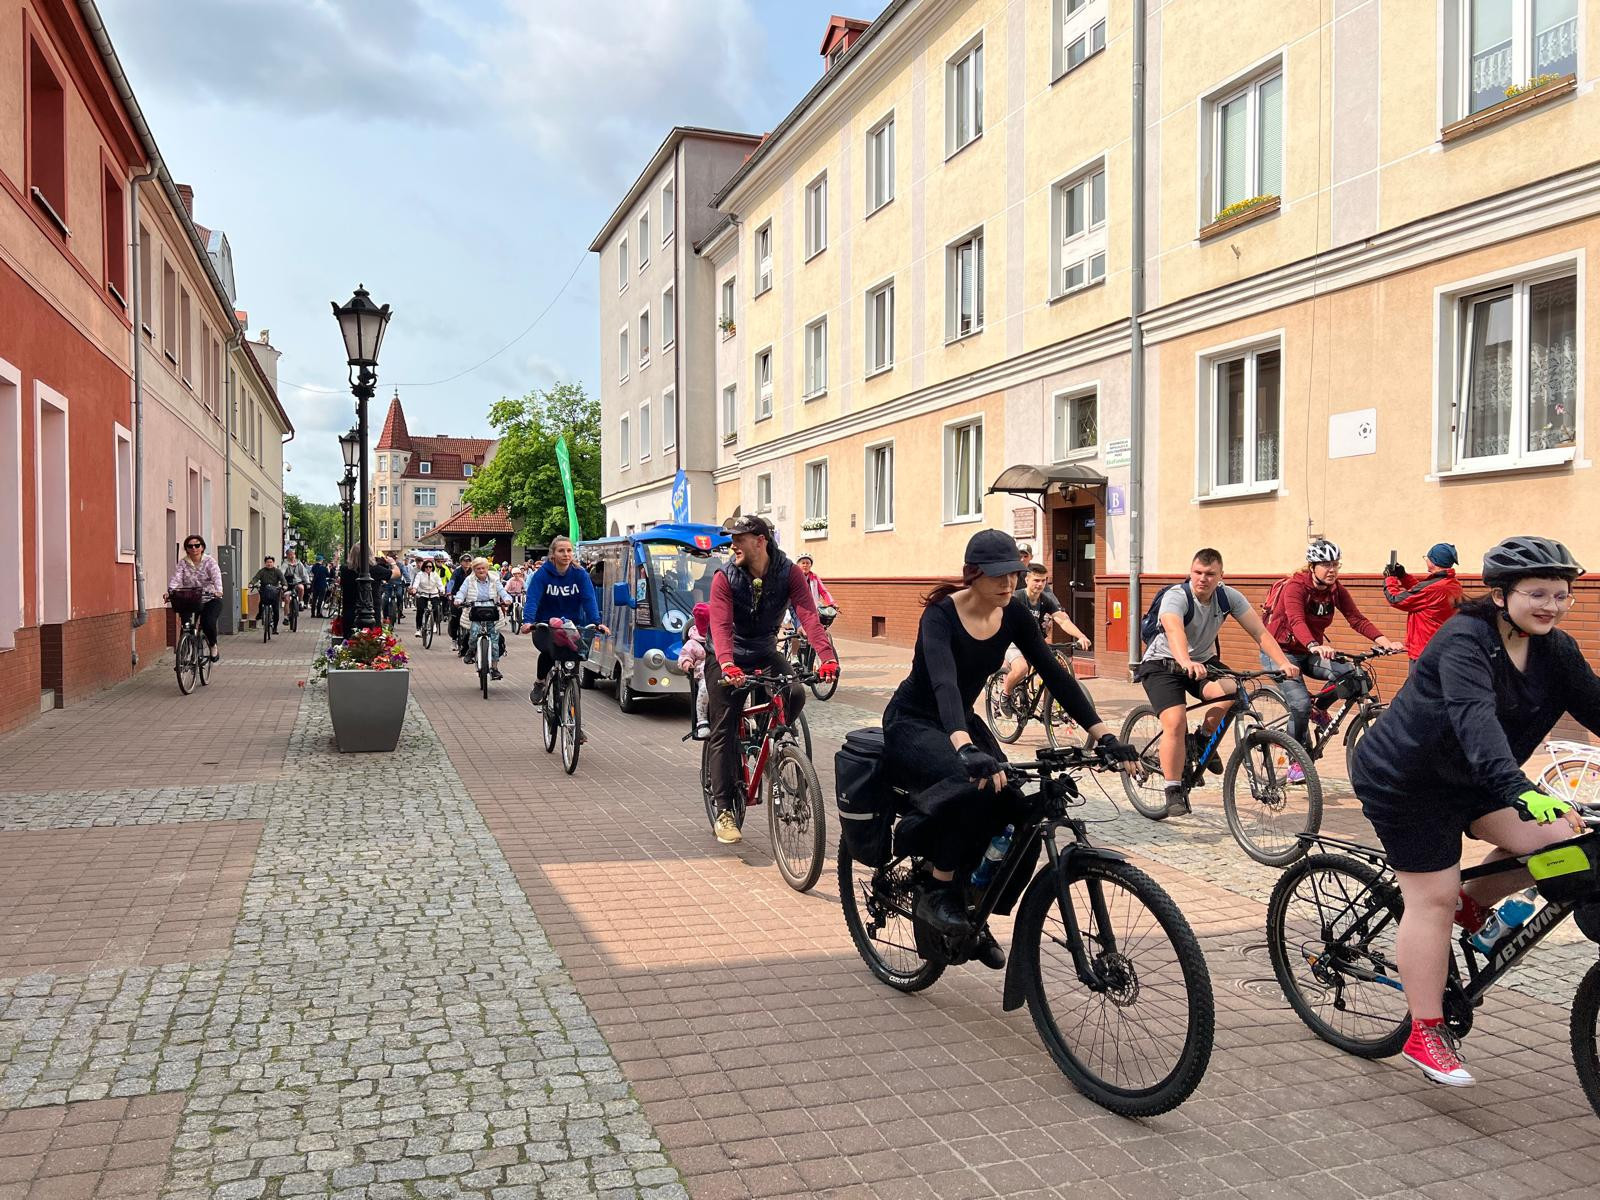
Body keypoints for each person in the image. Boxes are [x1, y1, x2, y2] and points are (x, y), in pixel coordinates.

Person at [1350, 536, 1598, 1087]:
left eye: (1561, 596)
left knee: (1564, 838)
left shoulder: (1555, 650)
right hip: (1409, 780)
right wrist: (1518, 786)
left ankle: (1472, 904)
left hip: (1481, 775)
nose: (1551, 607)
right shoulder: (1466, 640)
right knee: (1430, 898)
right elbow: (1473, 719)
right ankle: (1426, 1029)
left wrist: (1514, 787)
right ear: (1501, 593)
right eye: (1538, 594)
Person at [884, 529, 1136, 969]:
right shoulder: (941, 617)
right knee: (973, 786)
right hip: (916, 722)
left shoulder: (1015, 613)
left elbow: (1057, 675)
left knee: (1018, 808)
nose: (1008, 584)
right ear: (973, 575)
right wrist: (963, 747)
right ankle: (937, 887)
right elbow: (943, 683)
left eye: (1015, 575)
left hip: (962, 723)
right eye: (999, 576)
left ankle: (972, 910)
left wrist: (1102, 734)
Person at [706, 515, 840, 845]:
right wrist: (726, 664)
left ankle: (769, 739)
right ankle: (724, 809)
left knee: (794, 693)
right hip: (728, 655)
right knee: (724, 725)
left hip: (764, 650)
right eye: (731, 538)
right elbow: (720, 626)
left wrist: (827, 657)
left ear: (760, 540)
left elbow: (807, 614)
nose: (732, 544)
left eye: (739, 537)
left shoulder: (788, 571)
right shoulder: (725, 577)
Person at [1137, 548, 1300, 816]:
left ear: (1221, 576)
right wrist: (1186, 661)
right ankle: (1173, 788)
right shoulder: (1176, 596)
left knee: (1232, 690)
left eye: (1210, 574)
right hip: (1163, 664)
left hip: (1203, 662)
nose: (1203, 578)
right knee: (1175, 722)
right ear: (1190, 572)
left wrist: (1283, 662)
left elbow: (1260, 632)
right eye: (1198, 572)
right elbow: (1174, 629)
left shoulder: (1228, 597)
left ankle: (1201, 741)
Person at [1263, 541, 1400, 778]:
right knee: (1300, 703)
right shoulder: (1296, 587)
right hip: (1280, 652)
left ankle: (1320, 708)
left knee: (1352, 675)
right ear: (1313, 566)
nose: (1332, 570)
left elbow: (1356, 618)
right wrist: (1315, 645)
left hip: (1308, 652)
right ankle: (1296, 759)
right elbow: (1296, 621)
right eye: (1326, 565)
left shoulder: (1335, 589)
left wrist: (1383, 640)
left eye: (1335, 564)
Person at [522, 536, 607, 705]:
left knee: (573, 660)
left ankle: (573, 717)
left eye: (569, 550)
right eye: (561, 551)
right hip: (545, 624)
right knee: (548, 653)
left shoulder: (580, 574)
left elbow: (589, 599)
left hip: (571, 626)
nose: (566, 554)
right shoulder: (543, 574)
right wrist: (528, 621)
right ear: (553, 554)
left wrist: (597, 622)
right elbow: (533, 598)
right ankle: (540, 683)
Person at [1000, 563, 1091, 706]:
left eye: (1043, 581)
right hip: (1014, 642)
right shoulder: (1016, 598)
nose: (1040, 584)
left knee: (1054, 670)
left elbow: (1062, 620)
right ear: (1027, 580)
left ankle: (1048, 708)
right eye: (1036, 580)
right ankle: (1005, 695)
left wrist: (1081, 636)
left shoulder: (1045, 600)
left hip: (1033, 643)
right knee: (1021, 668)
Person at [1383, 542, 1465, 666]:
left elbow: (1396, 599)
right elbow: (1421, 594)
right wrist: (1403, 576)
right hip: (1442, 649)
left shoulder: (1434, 588)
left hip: (1424, 652)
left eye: (1427, 558)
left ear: (1433, 561)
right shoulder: (1452, 583)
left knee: (1418, 686)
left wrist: (1390, 578)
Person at [166, 535, 224, 662]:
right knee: (186, 625)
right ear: (186, 549)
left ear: (202, 547)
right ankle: (184, 653)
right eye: (190, 546)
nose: (194, 548)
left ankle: (213, 646)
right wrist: (170, 591)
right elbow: (176, 578)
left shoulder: (210, 561)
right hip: (190, 598)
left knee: (208, 623)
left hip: (210, 598)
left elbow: (216, 576)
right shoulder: (183, 563)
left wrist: (219, 590)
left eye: (197, 545)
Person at [453, 557, 511, 679]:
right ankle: (471, 650)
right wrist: (458, 600)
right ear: (474, 569)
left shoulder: (494, 579)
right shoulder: (469, 580)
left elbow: (502, 591)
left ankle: (494, 668)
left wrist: (507, 599)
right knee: (474, 632)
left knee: (494, 640)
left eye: (483, 568)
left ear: (487, 568)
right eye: (478, 568)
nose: (481, 570)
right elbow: (462, 592)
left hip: (492, 610)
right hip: (475, 610)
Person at [677, 603, 712, 740]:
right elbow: (684, 656)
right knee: (704, 689)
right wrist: (687, 663)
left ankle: (747, 717)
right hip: (704, 675)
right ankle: (702, 722)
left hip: (722, 673)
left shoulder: (720, 636)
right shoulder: (693, 643)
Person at [249, 556, 285, 634]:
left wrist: (284, 585)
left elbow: (282, 579)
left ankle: (275, 628)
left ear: (273, 563)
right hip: (264, 590)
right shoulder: (262, 571)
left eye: (271, 562)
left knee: (276, 611)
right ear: (265, 563)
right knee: (261, 602)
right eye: (267, 562)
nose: (269, 564)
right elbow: (256, 578)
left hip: (274, 592)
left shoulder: (277, 571)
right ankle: (260, 614)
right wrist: (252, 583)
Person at [410, 557, 447, 633]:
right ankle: (418, 628)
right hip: (422, 594)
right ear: (424, 567)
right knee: (420, 610)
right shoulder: (420, 574)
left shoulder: (435, 575)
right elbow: (416, 583)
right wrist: (414, 589)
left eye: (430, 567)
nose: (428, 568)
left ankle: (433, 624)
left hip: (434, 594)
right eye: (426, 566)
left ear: (432, 568)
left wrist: (442, 590)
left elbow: (440, 584)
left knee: (436, 609)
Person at [283, 551, 310, 617]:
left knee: (301, 587)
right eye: (290, 554)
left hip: (297, 582)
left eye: (293, 554)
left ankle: (301, 602)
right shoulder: (285, 563)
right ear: (287, 556)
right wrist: (281, 582)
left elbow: (304, 573)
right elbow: (281, 572)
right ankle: (286, 617)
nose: (292, 556)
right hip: (288, 584)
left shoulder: (299, 563)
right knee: (287, 600)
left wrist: (307, 582)